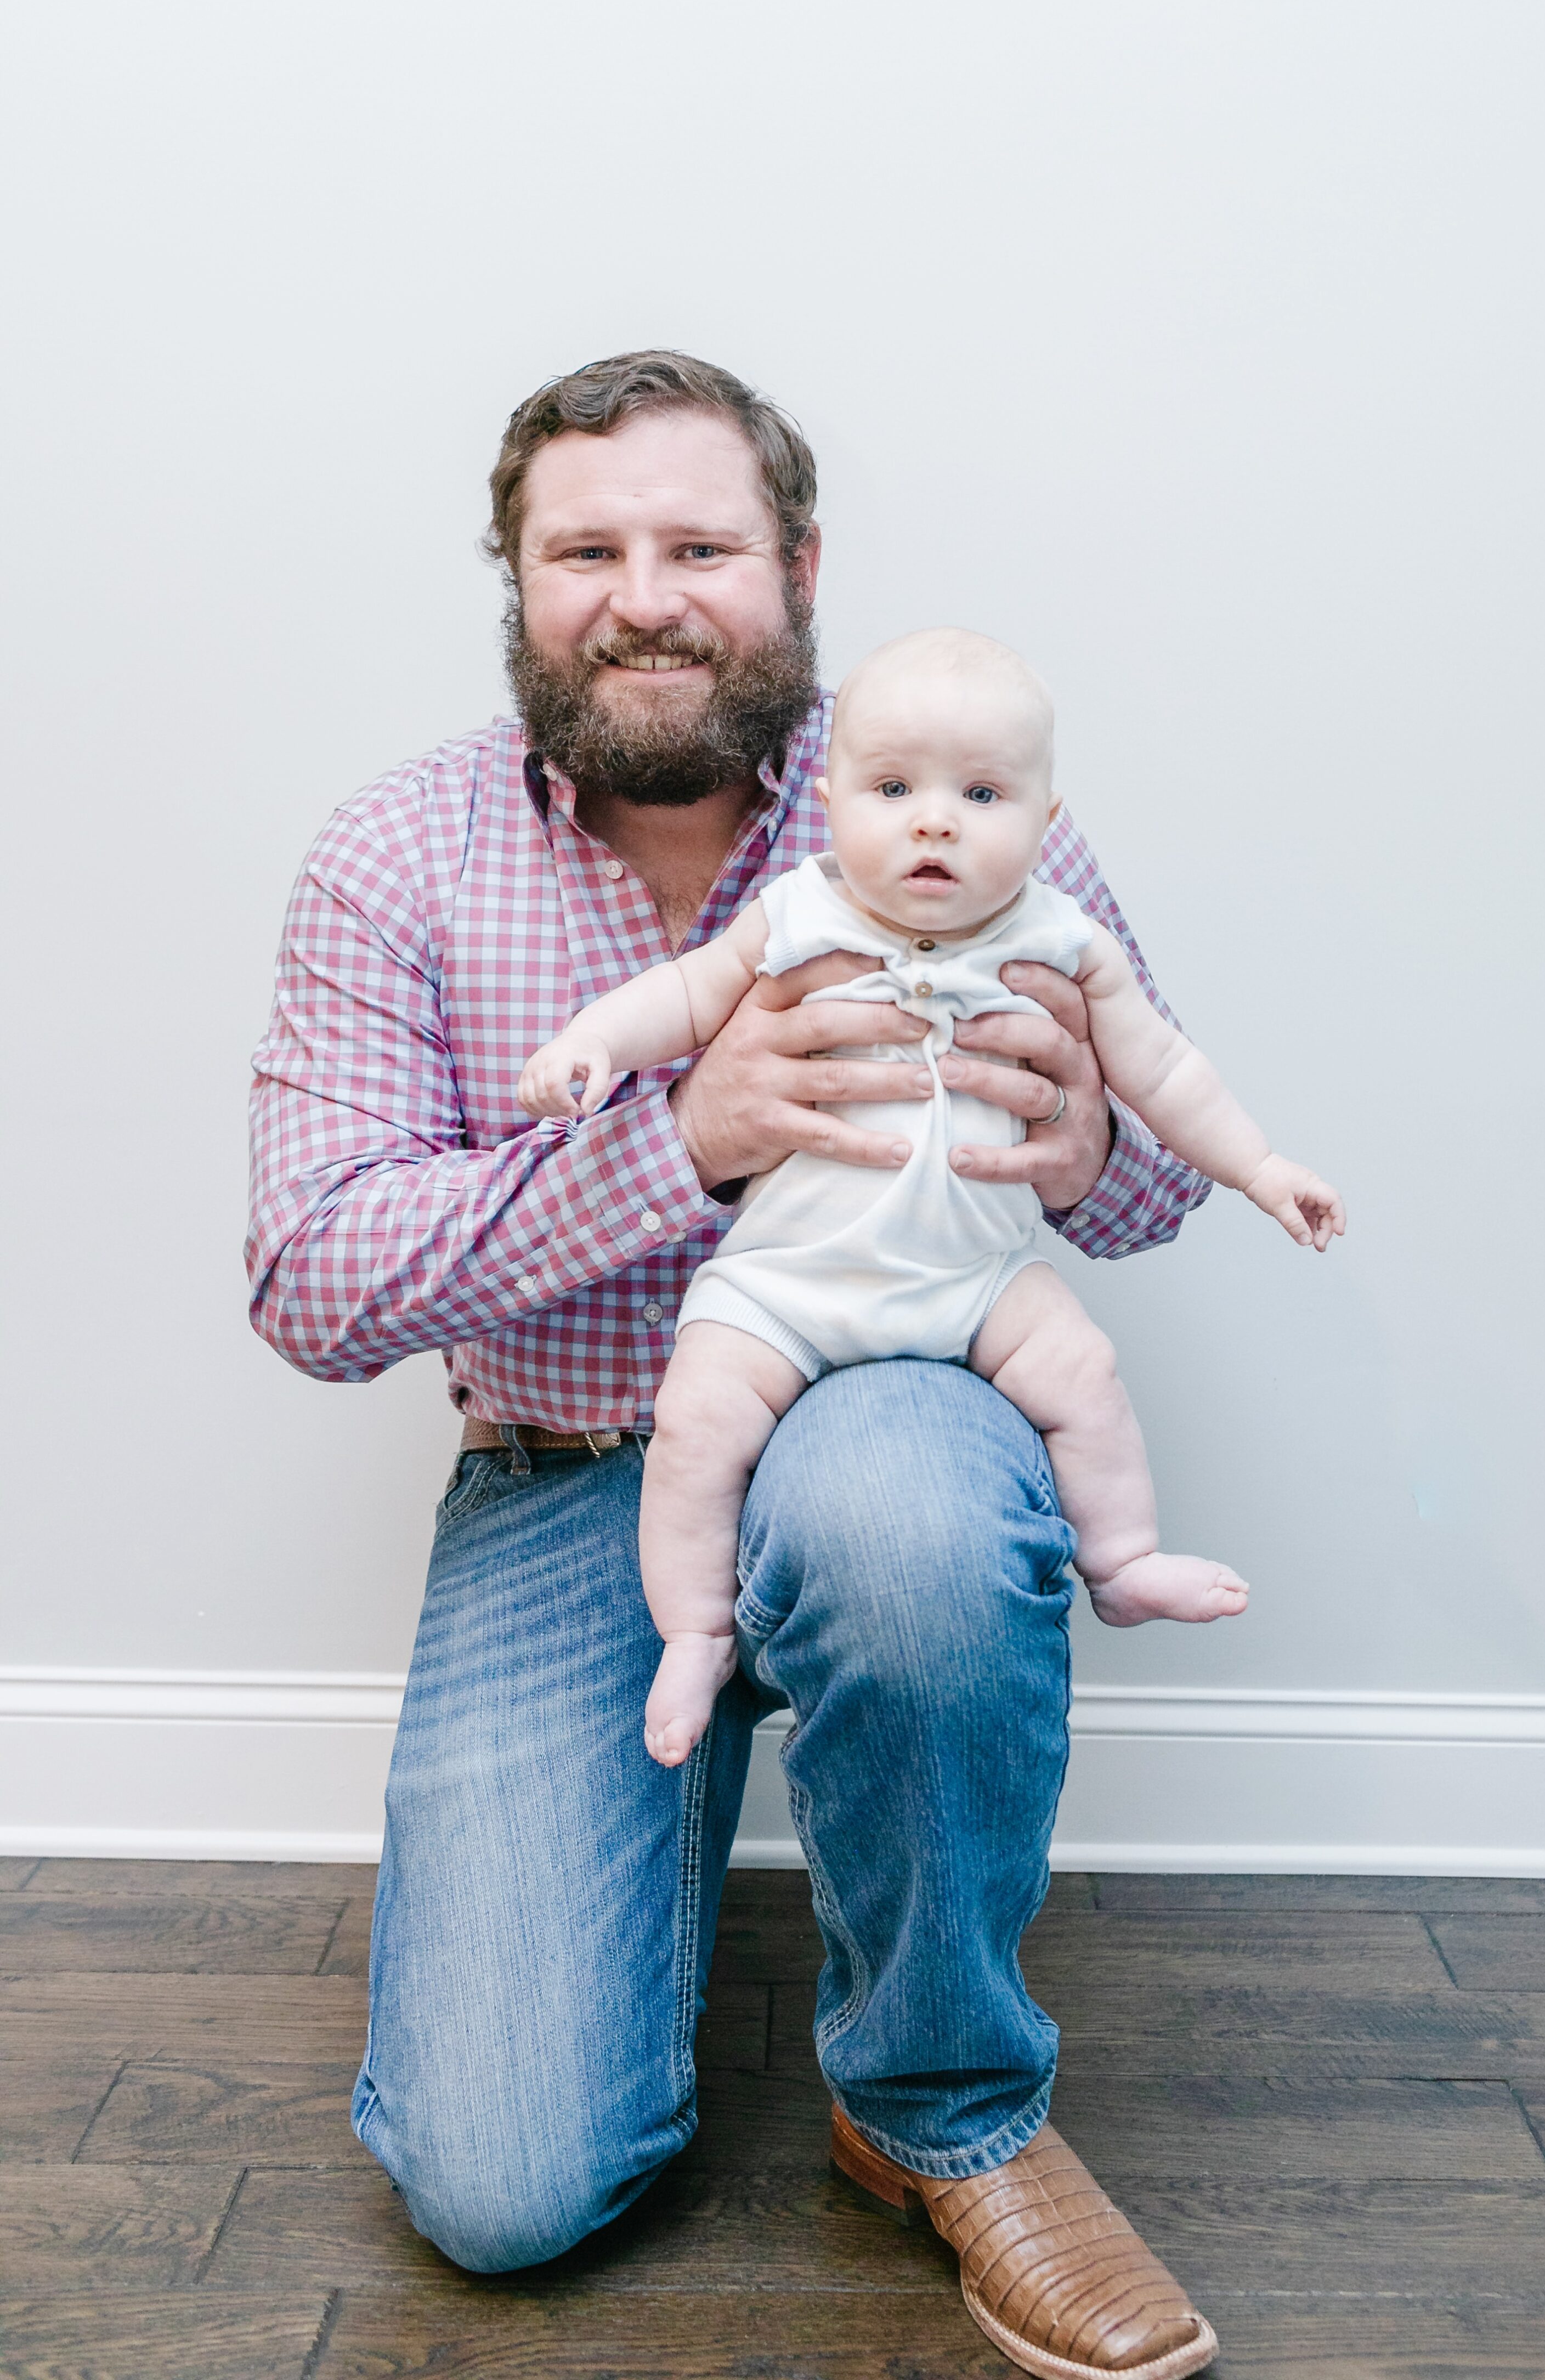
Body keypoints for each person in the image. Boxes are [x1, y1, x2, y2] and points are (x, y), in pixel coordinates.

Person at [248, 351, 1223, 2380]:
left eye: (697, 546)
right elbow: (310, 1282)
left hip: (890, 1418)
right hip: (568, 1477)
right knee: (503, 2194)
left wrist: (1085, 1144)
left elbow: (1145, 1205)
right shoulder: (394, 858)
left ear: (793, 569)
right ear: (515, 587)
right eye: (580, 551)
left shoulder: (956, 803)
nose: (641, 595)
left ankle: (944, 2110)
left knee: (904, 1506)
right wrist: (678, 1139)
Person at [518, 626, 1345, 1770]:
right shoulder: (799, 913)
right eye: (894, 787)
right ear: (830, 804)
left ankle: (1120, 1559)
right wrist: (589, 1047)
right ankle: (695, 1628)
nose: (934, 820)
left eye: (982, 792)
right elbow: (680, 994)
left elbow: (1166, 1073)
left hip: (972, 1281)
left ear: (1046, 824)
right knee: (696, 1422)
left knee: (1083, 1375)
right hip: (786, 1285)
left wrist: (1258, 1168)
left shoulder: (1059, 939)